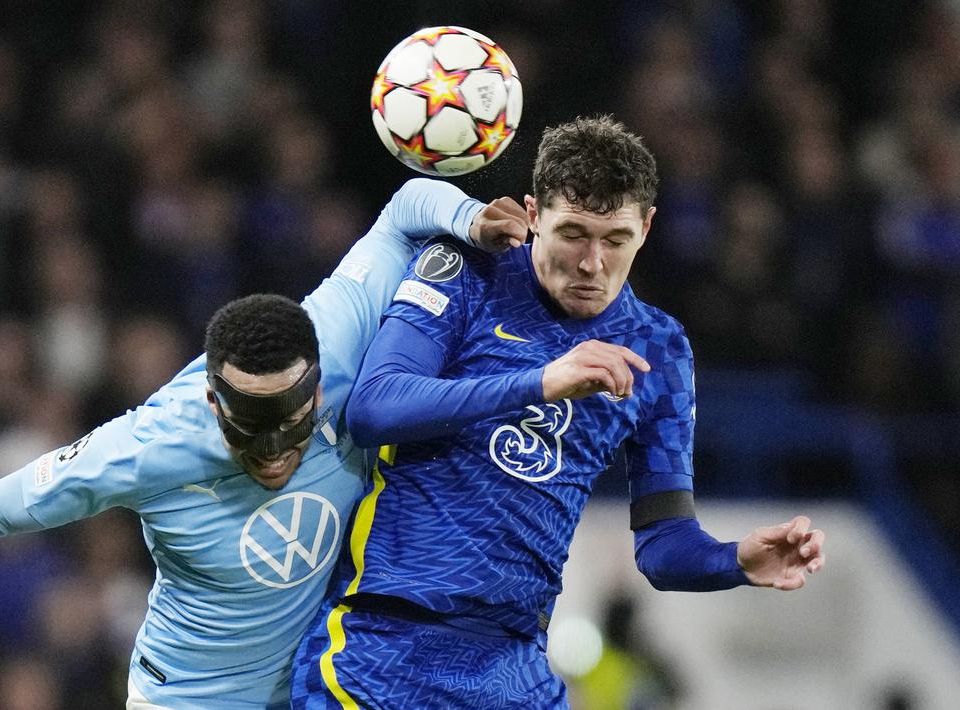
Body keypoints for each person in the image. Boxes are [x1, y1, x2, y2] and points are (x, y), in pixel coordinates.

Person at [0, 178, 530, 709]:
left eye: (294, 428)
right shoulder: (148, 447)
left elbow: (404, 207)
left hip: (321, 685)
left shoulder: (333, 332)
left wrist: (470, 218)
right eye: (252, 433)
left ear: (316, 387)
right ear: (211, 402)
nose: (276, 454)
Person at [291, 116, 828, 709]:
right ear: (533, 214)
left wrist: (733, 561)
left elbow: (663, 542)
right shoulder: (466, 271)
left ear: (647, 227)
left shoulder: (659, 347)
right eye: (573, 233)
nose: (592, 263)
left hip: (515, 666)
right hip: (382, 646)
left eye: (616, 239)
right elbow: (375, 406)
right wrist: (541, 383)